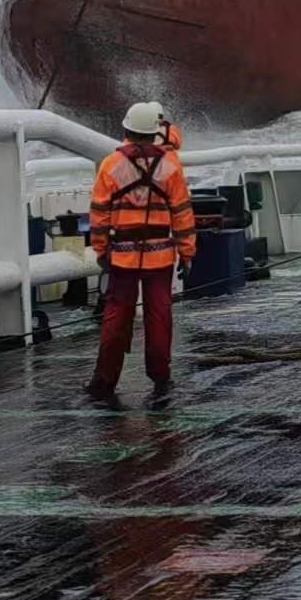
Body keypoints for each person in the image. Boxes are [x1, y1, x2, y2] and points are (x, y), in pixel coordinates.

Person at [88, 101, 198, 403]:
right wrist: (187, 253)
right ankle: (161, 376)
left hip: (121, 255)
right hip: (161, 256)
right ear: (155, 133)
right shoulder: (171, 166)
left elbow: (99, 214)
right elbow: (182, 214)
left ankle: (104, 381)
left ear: (126, 129)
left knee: (116, 316)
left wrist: (101, 250)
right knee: (159, 316)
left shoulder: (110, 165)